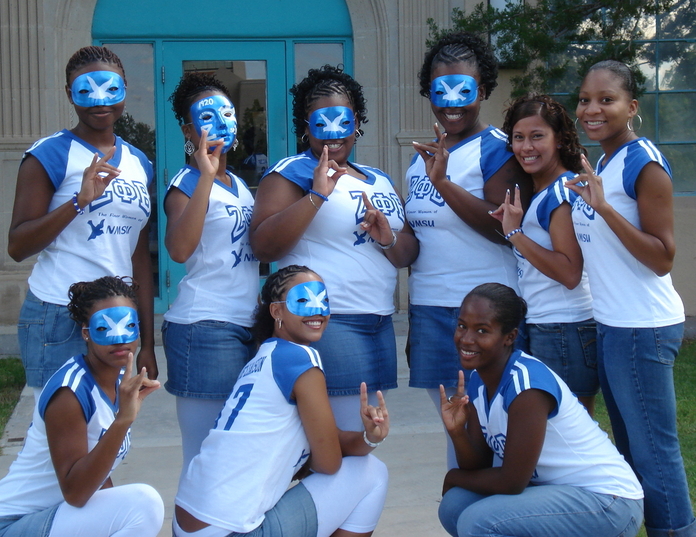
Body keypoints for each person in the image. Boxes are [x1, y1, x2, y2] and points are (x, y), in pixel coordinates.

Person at [249, 65, 418, 431]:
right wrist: (316, 196)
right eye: (320, 122)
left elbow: (408, 254)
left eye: (342, 120)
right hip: (330, 320)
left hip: (378, 319)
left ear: (356, 120)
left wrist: (386, 236)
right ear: (305, 126)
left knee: (369, 430)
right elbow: (263, 245)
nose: (333, 133)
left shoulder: (380, 179)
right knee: (347, 434)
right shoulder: (292, 172)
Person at [566, 60, 695, 536]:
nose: (592, 109)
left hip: (643, 326)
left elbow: (662, 257)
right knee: (628, 448)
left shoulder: (644, 164)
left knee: (654, 452)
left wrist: (602, 208)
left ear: (632, 107)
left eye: (606, 99)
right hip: (614, 325)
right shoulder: (604, 162)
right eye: (584, 99)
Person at [173, 264, 390, 537]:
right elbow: (329, 462)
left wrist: (370, 437)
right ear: (276, 311)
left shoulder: (264, 357)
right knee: (372, 474)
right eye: (303, 300)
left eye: (323, 300)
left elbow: (328, 439)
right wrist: (305, 463)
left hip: (186, 526)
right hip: (231, 531)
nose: (317, 310)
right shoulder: (300, 359)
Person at [407, 32, 530, 467]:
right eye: (441, 90)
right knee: (455, 425)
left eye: (465, 90)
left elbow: (504, 227)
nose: (452, 101)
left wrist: (444, 184)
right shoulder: (420, 159)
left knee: (487, 426)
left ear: (483, 90)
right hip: (431, 309)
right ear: (428, 92)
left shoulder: (496, 150)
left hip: (484, 314)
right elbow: (420, 238)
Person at [8, 46, 157, 400]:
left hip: (118, 316)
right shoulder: (49, 154)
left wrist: (148, 342)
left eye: (111, 88)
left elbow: (138, 259)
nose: (99, 100)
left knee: (106, 429)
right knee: (60, 434)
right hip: (60, 313)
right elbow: (17, 246)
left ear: (125, 88)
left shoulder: (138, 162)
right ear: (69, 94)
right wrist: (79, 201)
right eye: (85, 90)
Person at [437, 283, 643, 537]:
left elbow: (512, 482)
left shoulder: (527, 387)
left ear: (510, 337)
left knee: (478, 521)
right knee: (454, 507)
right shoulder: (481, 379)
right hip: (556, 495)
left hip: (608, 502)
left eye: (482, 330)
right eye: (462, 325)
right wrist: (458, 432)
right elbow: (479, 465)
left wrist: (454, 477)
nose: (466, 338)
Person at [0, 276, 164, 537]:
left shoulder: (119, 383)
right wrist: (123, 420)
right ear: (86, 333)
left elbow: (98, 475)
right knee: (144, 504)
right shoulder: (70, 392)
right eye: (104, 328)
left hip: (52, 520)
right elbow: (76, 493)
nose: (119, 338)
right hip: (4, 525)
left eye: (128, 325)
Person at [162, 72, 259, 476]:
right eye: (207, 116)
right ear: (188, 128)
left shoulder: (238, 182)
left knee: (233, 449)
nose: (221, 122)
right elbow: (179, 249)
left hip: (244, 323)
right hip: (203, 327)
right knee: (204, 457)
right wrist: (204, 174)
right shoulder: (185, 184)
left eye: (228, 112)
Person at [490, 94, 598, 414]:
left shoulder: (561, 191)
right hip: (552, 325)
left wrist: (514, 234)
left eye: (537, 136)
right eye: (519, 138)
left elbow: (569, 272)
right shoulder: (544, 191)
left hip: (564, 327)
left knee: (568, 432)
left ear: (559, 138)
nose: (526, 147)